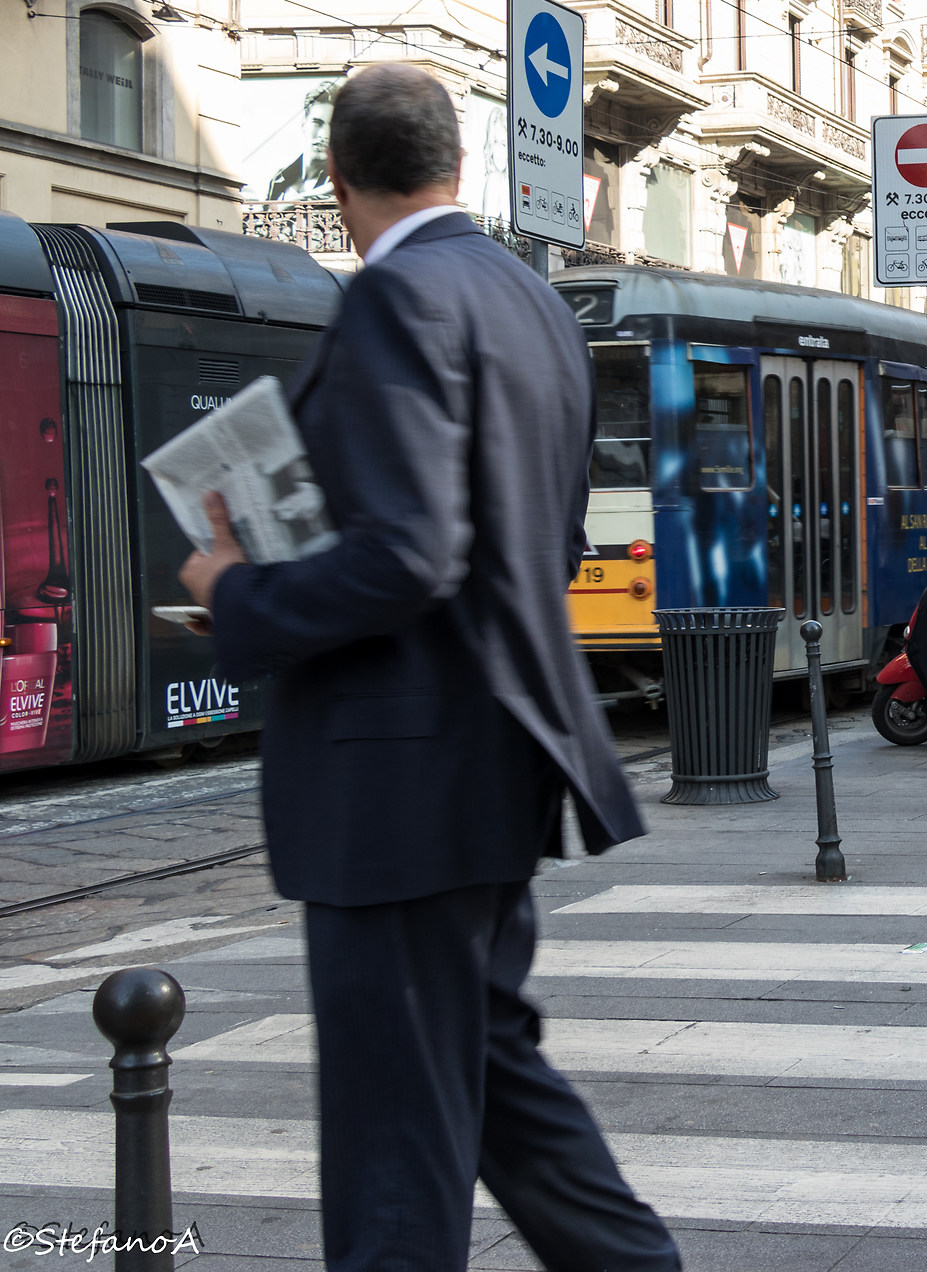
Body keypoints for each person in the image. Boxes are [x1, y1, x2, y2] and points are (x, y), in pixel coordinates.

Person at [175, 65, 679, 1272]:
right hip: (490, 761)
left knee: (396, 1142)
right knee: (490, 1073)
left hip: (393, 787)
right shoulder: (531, 299)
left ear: (337, 177)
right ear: (457, 164)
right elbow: (540, 543)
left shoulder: (394, 301)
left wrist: (239, 590)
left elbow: (407, 555)